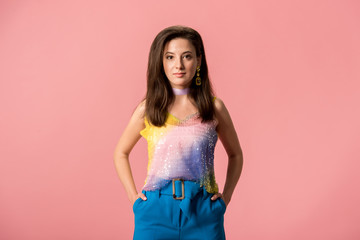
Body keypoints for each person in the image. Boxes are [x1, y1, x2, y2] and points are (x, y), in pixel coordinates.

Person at [113, 25, 243, 240]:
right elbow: (120, 153)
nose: (179, 65)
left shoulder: (214, 108)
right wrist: (133, 198)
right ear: (161, 62)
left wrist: (226, 197)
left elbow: (236, 154)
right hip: (155, 211)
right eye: (170, 57)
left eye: (187, 56)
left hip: (203, 210)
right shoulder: (149, 108)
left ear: (199, 60)